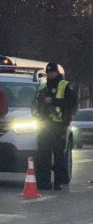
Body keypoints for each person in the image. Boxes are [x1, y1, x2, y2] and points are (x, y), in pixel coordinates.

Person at [31, 62, 77, 190]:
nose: (50, 74)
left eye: (52, 72)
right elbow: (34, 104)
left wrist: (54, 101)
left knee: (59, 155)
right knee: (43, 155)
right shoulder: (42, 87)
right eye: (48, 72)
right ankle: (43, 182)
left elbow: (71, 103)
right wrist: (37, 115)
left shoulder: (65, 86)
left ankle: (58, 182)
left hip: (59, 125)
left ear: (57, 72)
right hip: (44, 125)